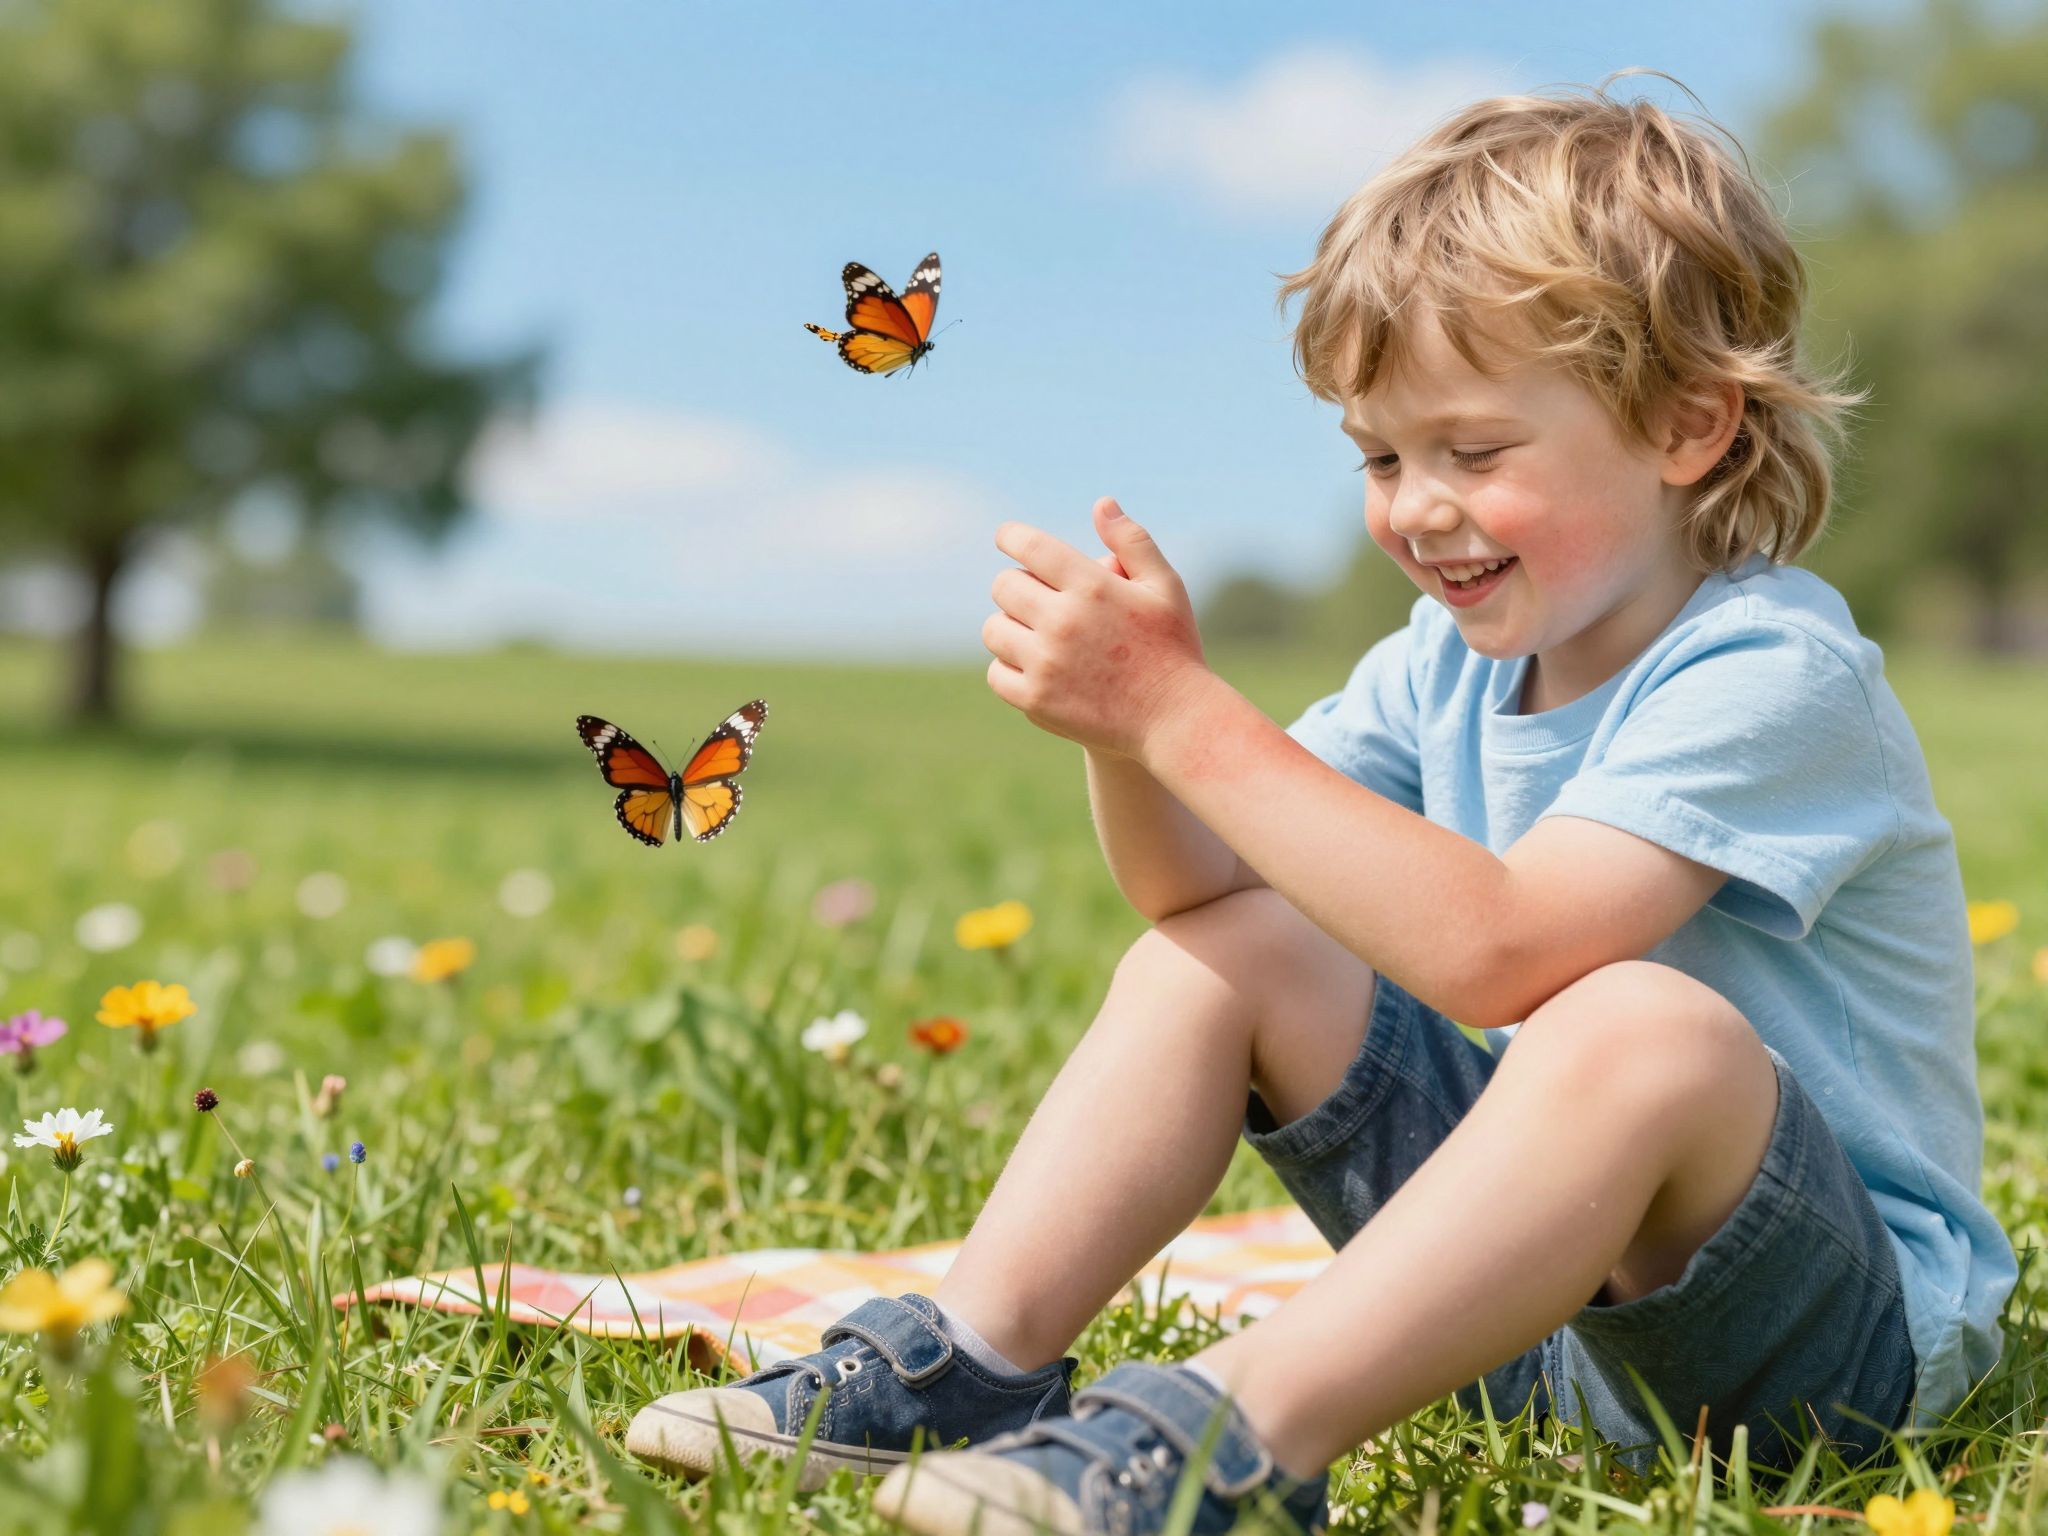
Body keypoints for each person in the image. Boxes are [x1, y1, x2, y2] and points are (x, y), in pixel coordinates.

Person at [626, 77, 2016, 1536]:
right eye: (1380, 456)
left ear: (1688, 425)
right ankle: (970, 1365)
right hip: (1526, 1321)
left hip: (1818, 1355)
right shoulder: (1447, 665)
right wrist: (1128, 735)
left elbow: (1510, 952)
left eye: (1475, 452)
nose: (1418, 505)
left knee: (1634, 1023)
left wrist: (1183, 711)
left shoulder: (1771, 671)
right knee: (1232, 952)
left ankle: (1219, 1443)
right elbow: (1198, 892)